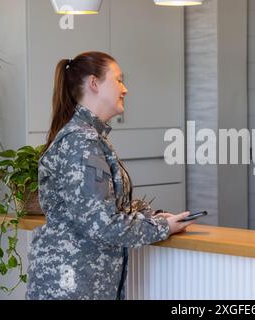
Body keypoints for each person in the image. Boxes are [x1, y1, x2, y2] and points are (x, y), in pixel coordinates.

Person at [26, 51, 195, 300]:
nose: (125, 89)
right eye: (118, 80)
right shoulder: (81, 142)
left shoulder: (90, 137)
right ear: (94, 84)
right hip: (70, 288)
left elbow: (100, 208)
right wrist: (161, 227)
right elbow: (102, 224)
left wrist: (149, 216)